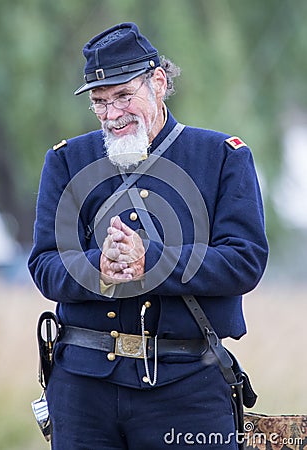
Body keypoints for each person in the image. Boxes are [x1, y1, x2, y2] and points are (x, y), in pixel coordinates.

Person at [28, 22, 269, 449]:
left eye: (124, 96)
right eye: (100, 102)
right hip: (82, 390)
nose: (112, 113)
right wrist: (97, 267)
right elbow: (46, 264)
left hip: (188, 385)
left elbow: (244, 261)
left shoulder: (222, 157)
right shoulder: (66, 161)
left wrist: (151, 262)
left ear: (158, 82)